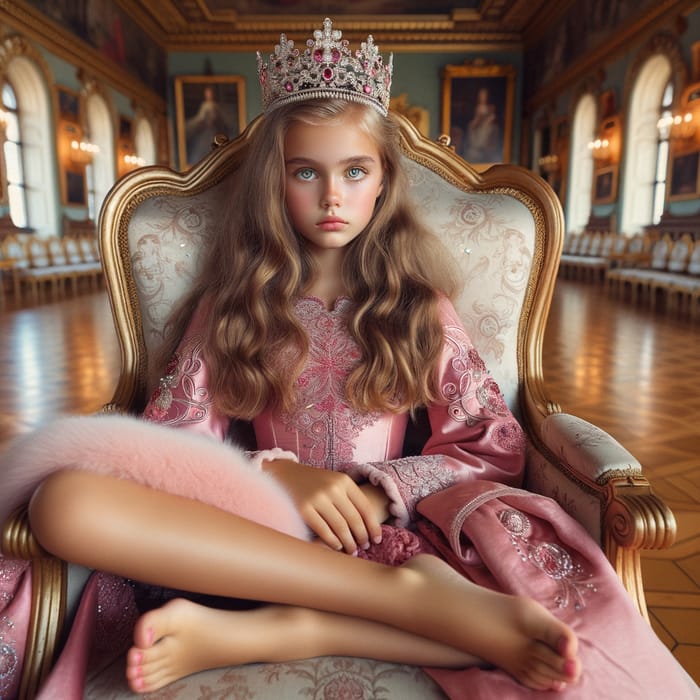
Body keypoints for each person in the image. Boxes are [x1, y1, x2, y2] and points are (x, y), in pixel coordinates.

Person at [0, 18, 695, 700]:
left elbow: (491, 444)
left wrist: (377, 489)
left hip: (387, 526)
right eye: (306, 172)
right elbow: (171, 440)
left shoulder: (419, 308)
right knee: (65, 500)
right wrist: (277, 480)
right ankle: (388, 603)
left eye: (354, 171)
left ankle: (279, 631)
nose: (332, 195)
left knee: (534, 623)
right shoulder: (231, 306)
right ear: (275, 182)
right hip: (255, 534)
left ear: (384, 181)